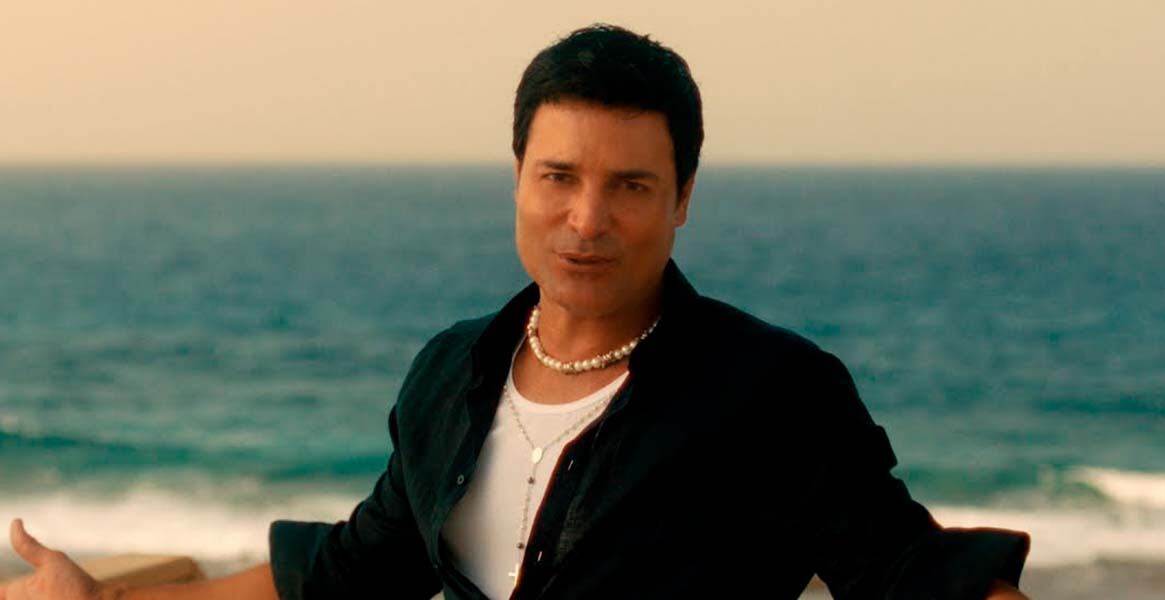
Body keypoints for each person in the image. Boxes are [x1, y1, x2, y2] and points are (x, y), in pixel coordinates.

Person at [1, 24, 1031, 600]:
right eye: (559, 177)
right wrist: (108, 599)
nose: (588, 220)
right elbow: (357, 569)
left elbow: (911, 573)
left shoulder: (772, 390)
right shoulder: (452, 373)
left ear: (682, 199)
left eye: (631, 186)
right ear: (518, 179)